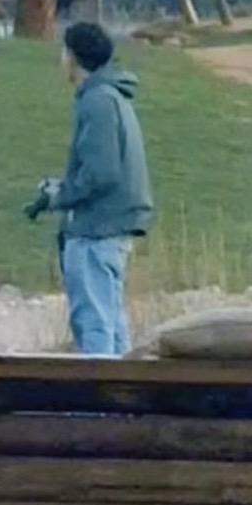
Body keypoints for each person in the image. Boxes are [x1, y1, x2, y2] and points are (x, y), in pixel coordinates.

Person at [24, 20, 154, 357]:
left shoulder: (97, 101)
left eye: (64, 51)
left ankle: (100, 401)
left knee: (93, 324)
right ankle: (123, 401)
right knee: (111, 323)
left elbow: (101, 173)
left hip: (95, 231)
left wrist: (58, 197)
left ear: (74, 57)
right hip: (111, 228)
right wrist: (61, 188)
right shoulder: (111, 97)